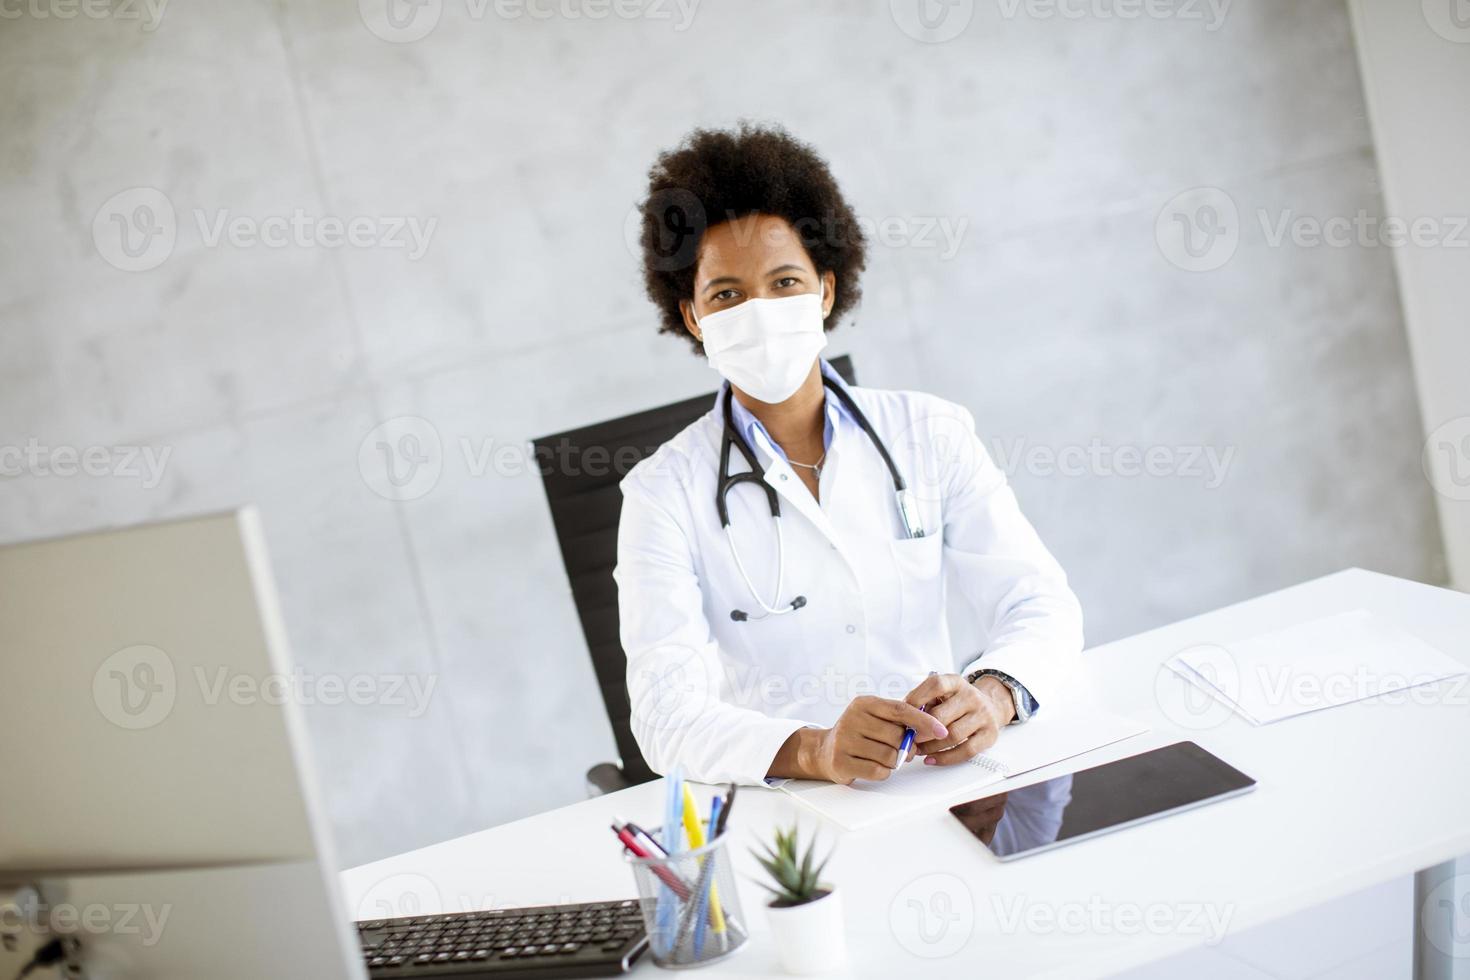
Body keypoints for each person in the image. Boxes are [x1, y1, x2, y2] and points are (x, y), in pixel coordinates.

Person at [615, 123, 1082, 786]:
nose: (760, 311)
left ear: (825, 291)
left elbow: (1040, 603)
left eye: (784, 282)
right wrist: (814, 748)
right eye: (727, 295)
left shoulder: (930, 432)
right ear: (692, 316)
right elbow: (666, 717)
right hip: (792, 813)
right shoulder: (662, 495)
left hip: (945, 780)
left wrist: (995, 694)